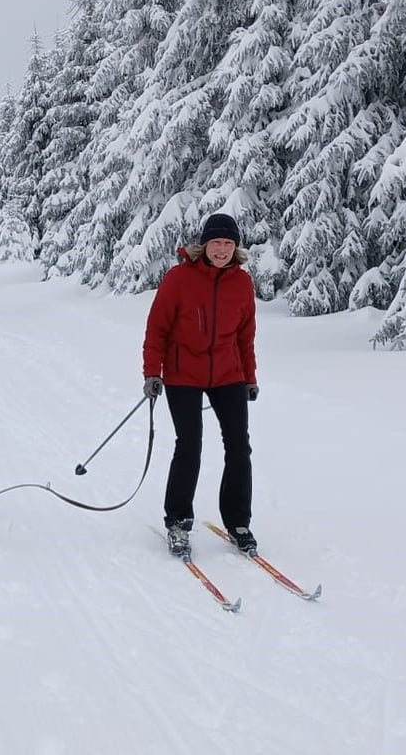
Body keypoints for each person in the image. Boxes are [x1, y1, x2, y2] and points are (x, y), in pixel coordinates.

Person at [142, 212, 260, 558]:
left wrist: (249, 377)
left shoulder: (242, 283)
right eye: (216, 243)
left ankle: (238, 522)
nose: (222, 250)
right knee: (190, 445)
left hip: (228, 374)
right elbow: (157, 329)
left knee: (239, 447)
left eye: (228, 243)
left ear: (235, 248)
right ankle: (178, 520)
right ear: (204, 245)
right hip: (183, 374)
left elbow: (246, 336)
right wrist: (152, 372)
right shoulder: (178, 278)